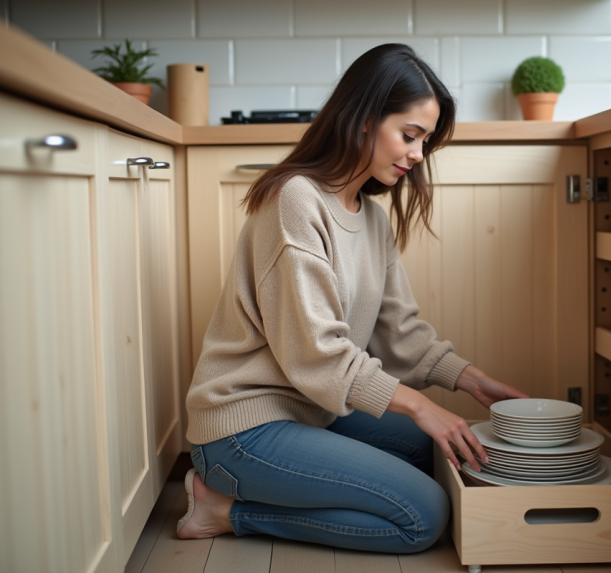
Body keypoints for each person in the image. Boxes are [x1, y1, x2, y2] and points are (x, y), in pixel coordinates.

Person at [176, 43, 527, 554]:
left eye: (424, 142)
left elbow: (399, 332)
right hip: (242, 428)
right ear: (364, 119)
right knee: (423, 517)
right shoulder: (295, 199)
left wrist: (473, 381)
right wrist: (420, 404)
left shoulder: (371, 217)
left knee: (434, 449)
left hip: (309, 410)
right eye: (409, 136)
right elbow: (317, 354)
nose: (417, 155)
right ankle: (225, 509)